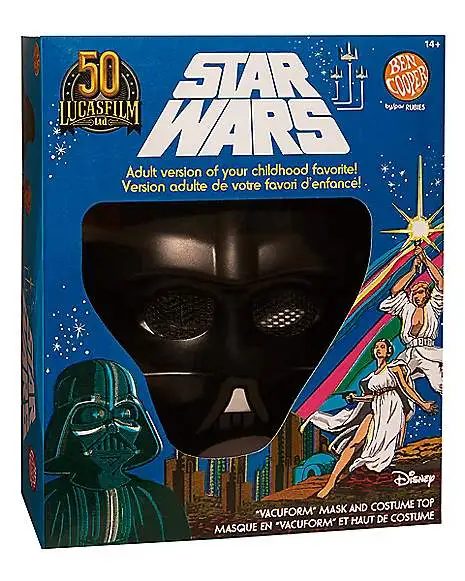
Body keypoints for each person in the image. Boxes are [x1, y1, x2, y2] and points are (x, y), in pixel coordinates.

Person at [44, 359, 191, 547]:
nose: (113, 428)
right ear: (65, 427)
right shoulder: (50, 501)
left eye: (124, 413)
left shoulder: (159, 501)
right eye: (93, 414)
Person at [307, 339, 437, 499]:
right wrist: (356, 398)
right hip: (376, 407)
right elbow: (372, 397)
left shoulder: (394, 368)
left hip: (392, 409)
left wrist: (422, 403)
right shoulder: (371, 377)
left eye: (382, 347)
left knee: (384, 447)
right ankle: (330, 483)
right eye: (376, 347)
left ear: (389, 352)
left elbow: (405, 388)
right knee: (354, 442)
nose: (378, 349)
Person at [379, 245, 443, 394]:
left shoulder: (433, 305)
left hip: (428, 351)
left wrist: (425, 259)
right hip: (409, 352)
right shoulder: (406, 307)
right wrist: (413, 271)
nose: (416, 296)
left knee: (439, 385)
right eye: (413, 293)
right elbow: (395, 291)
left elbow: (440, 282)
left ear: (427, 294)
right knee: (387, 379)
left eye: (420, 292)